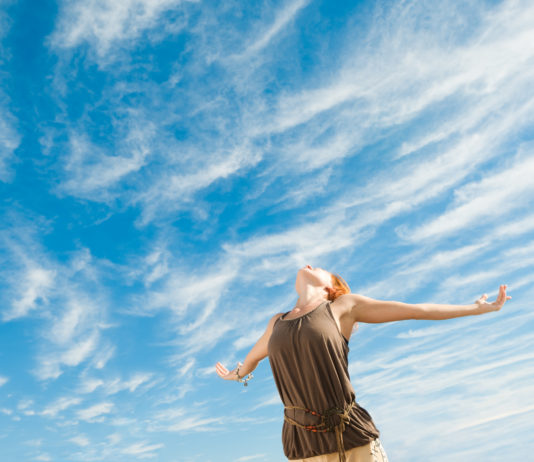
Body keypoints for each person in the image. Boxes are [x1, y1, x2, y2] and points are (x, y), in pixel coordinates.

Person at [215, 265, 511, 462]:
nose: (309, 265)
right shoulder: (276, 323)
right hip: (303, 442)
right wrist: (234, 375)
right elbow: (251, 360)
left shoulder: (343, 307)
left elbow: (416, 310)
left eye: (319, 267)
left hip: (352, 435)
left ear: (331, 287)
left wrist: (476, 309)